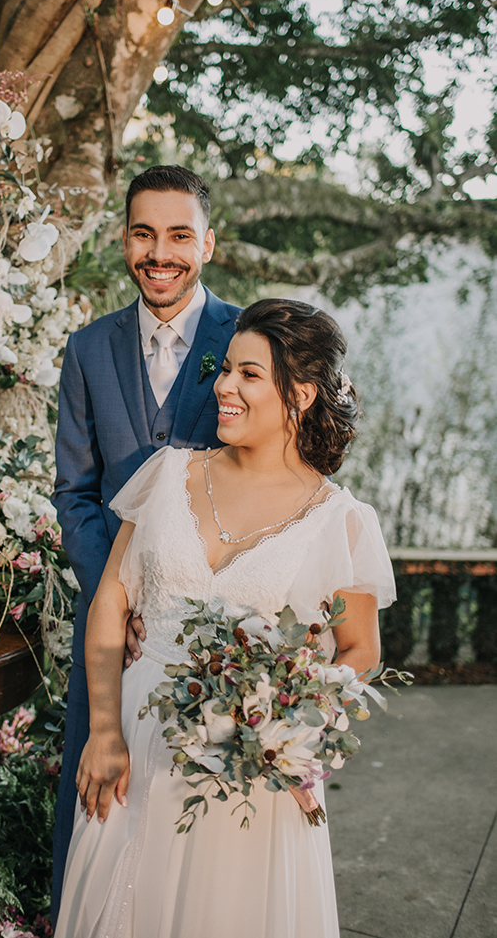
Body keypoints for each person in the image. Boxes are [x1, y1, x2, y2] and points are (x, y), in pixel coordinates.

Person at [54, 298, 396, 938]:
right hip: (132, 741)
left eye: (249, 374)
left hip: (247, 776)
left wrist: (288, 730)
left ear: (300, 396)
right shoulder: (167, 474)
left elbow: (360, 650)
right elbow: (111, 602)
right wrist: (103, 731)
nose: (224, 387)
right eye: (225, 369)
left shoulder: (341, 521)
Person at [51, 165, 240, 918]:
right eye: (143, 234)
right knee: (101, 805)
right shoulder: (87, 349)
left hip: (213, 630)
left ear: (208, 244)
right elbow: (75, 492)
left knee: (203, 823)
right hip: (111, 629)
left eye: (179, 235)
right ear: (124, 239)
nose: (159, 254)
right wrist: (116, 597)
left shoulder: (249, 339)